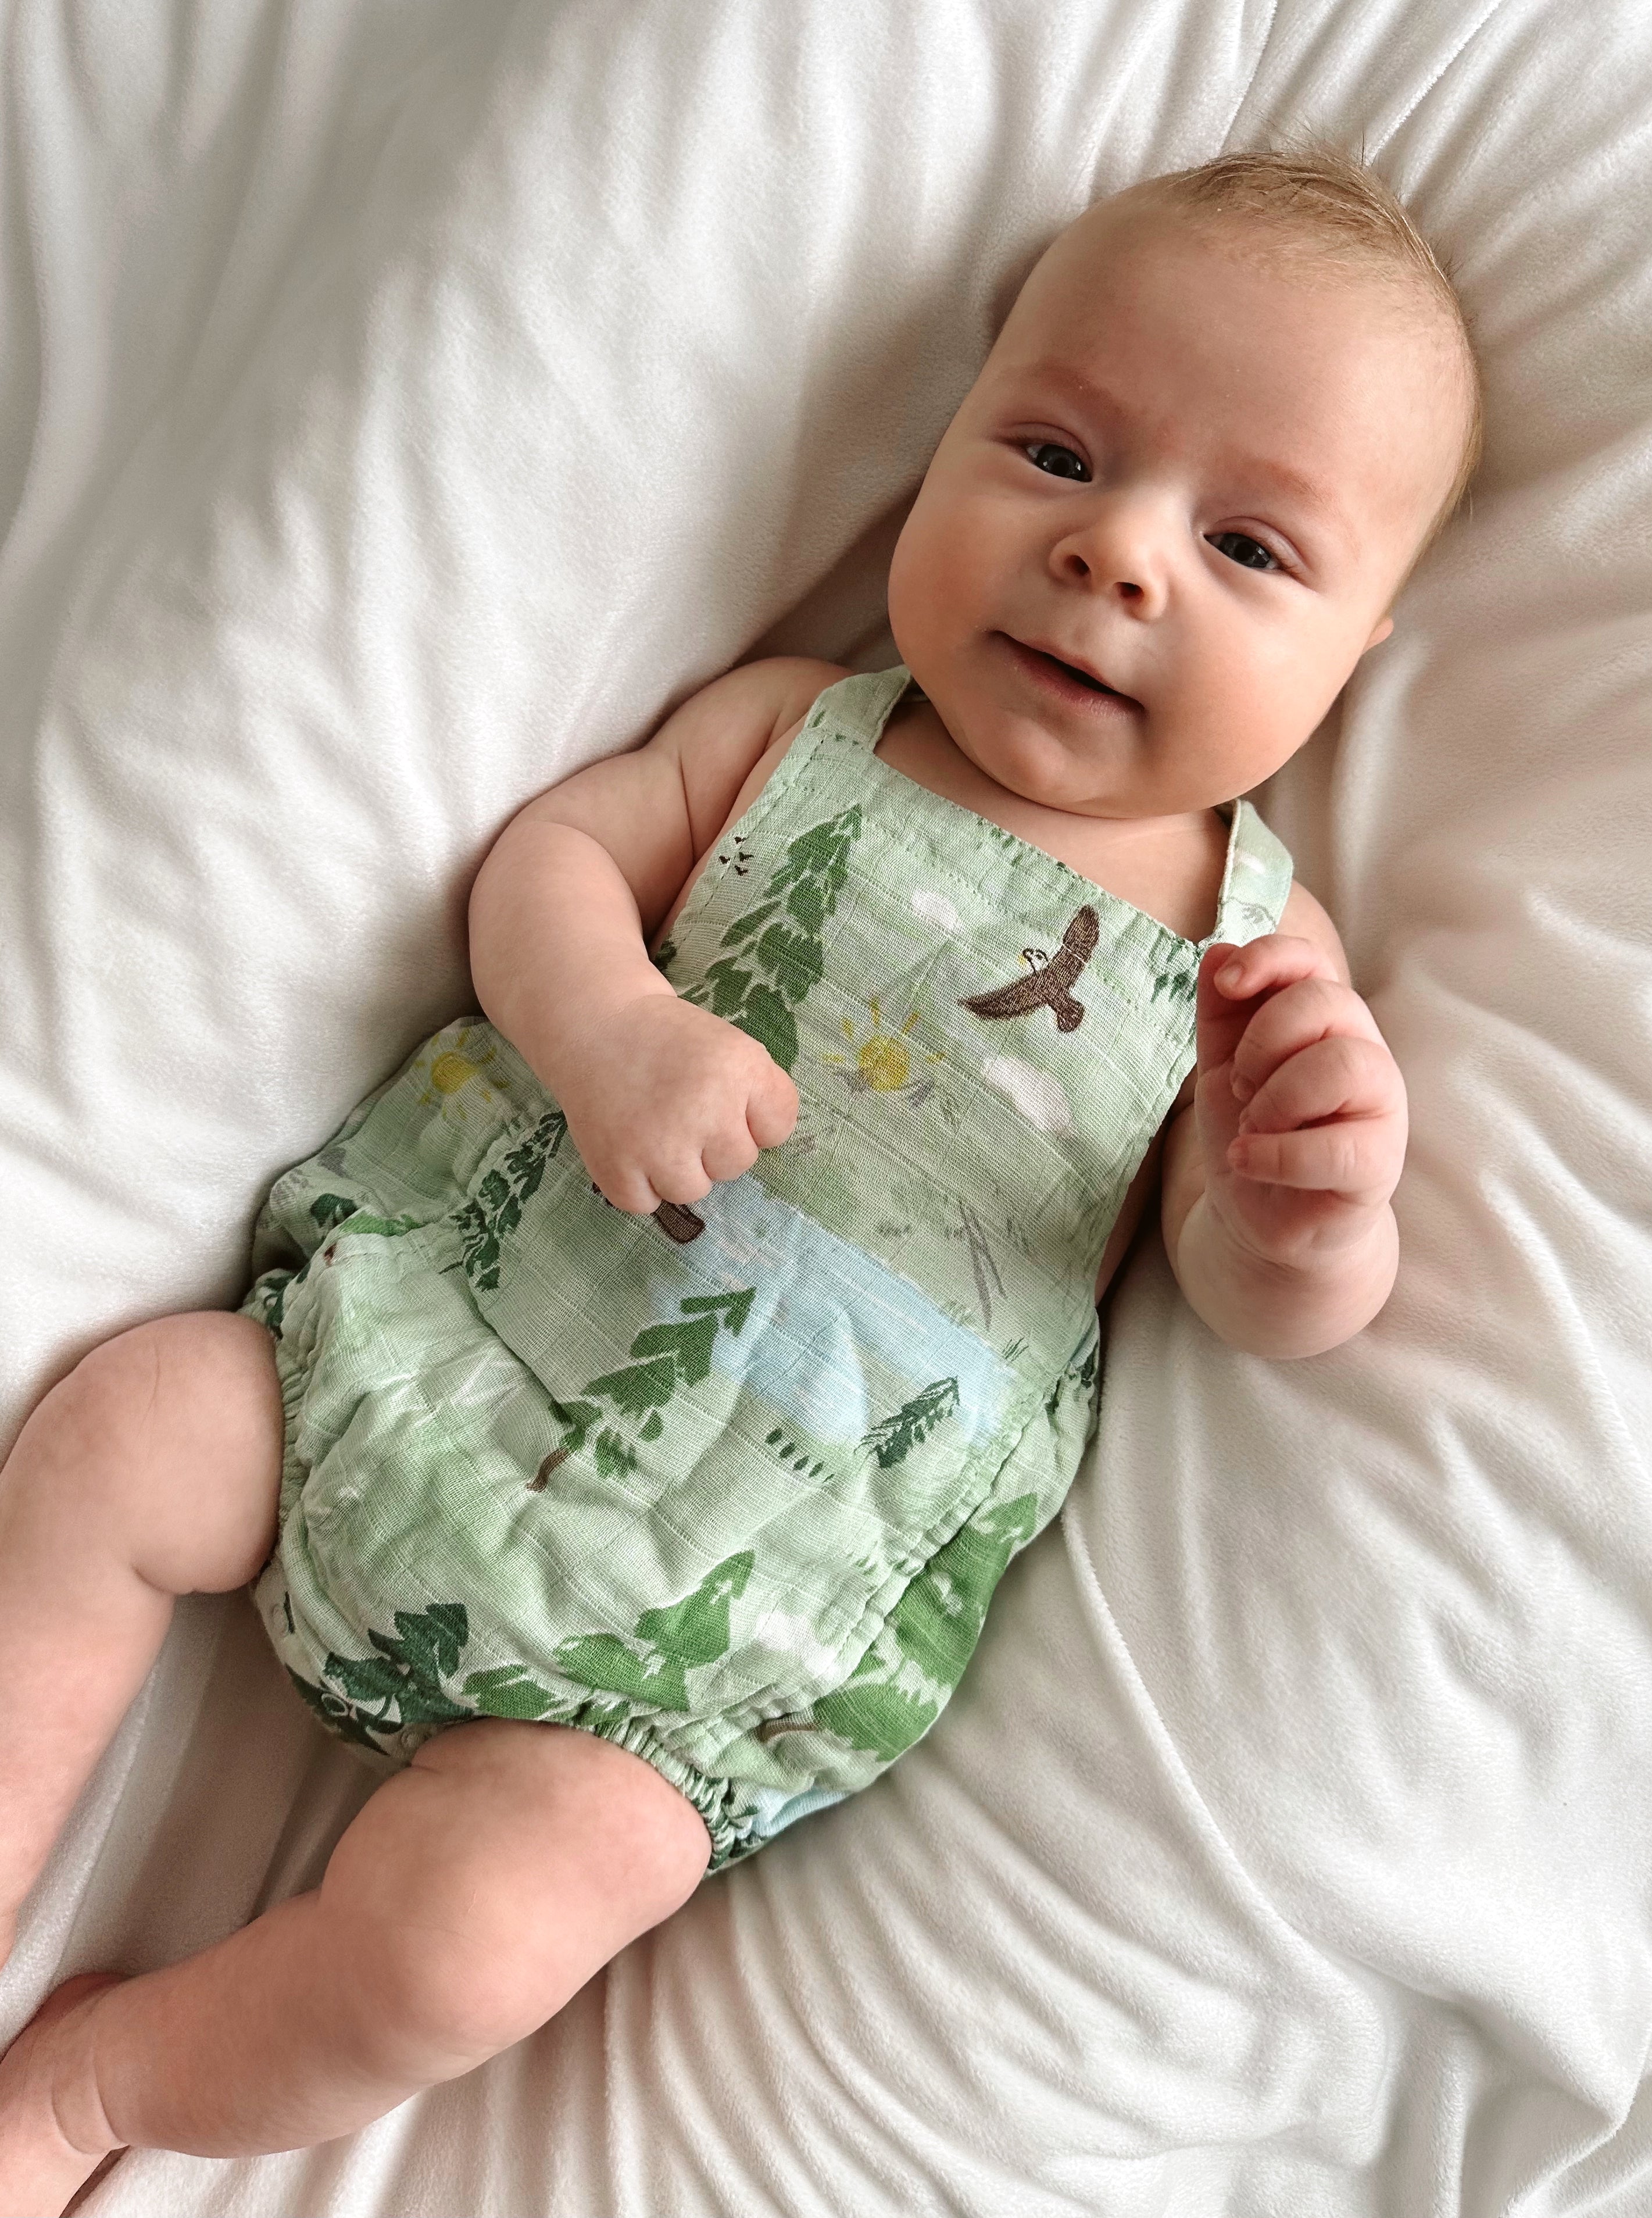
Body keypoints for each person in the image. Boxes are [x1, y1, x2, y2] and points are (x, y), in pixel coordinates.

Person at [0, 145, 1479, 2210]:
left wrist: (1308, 1204)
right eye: (1052, 452)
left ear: (1358, 648)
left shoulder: (1251, 956)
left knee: (476, 1939)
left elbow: (1241, 1286)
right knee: (120, 1435)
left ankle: (93, 2092)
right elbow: (551, 867)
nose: (1115, 557)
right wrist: (611, 1028)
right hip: (425, 1341)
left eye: (1245, 546)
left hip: (701, 1623)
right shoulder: (795, 730)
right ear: (948, 434)